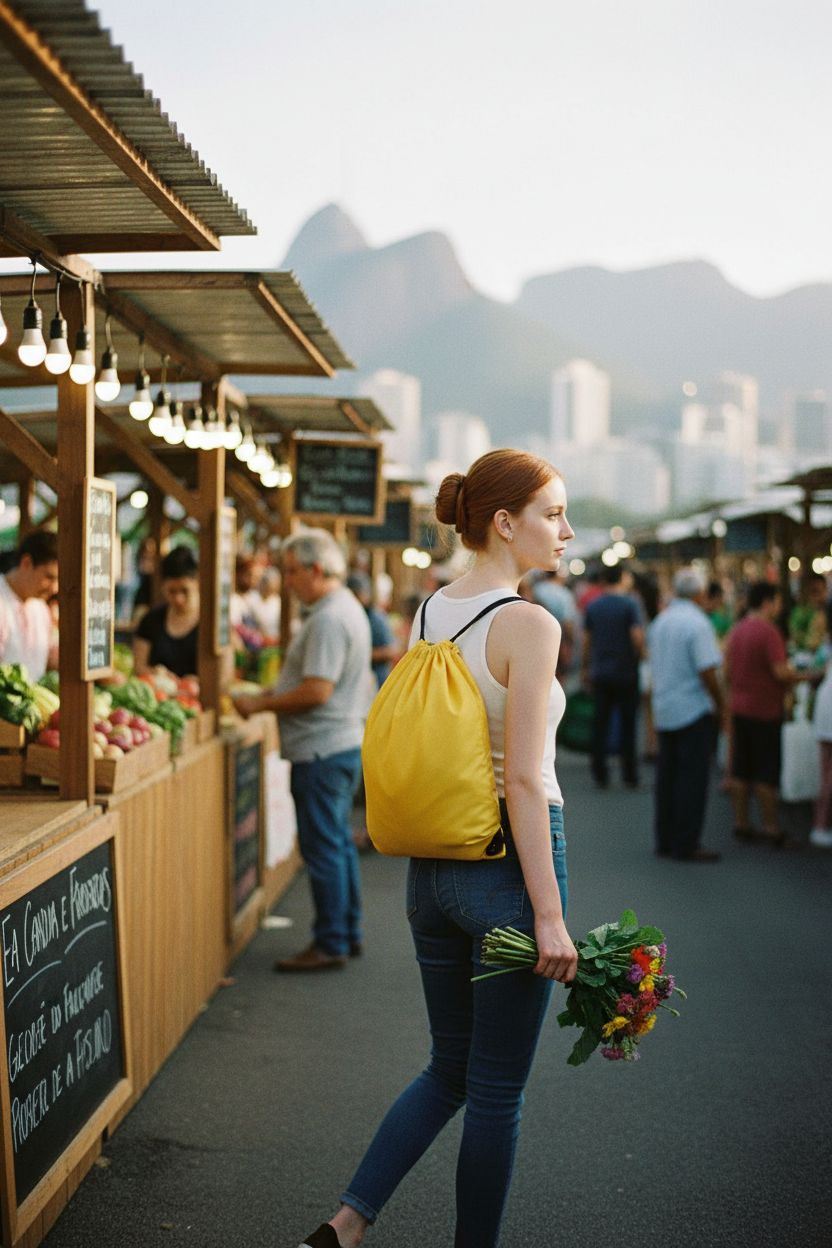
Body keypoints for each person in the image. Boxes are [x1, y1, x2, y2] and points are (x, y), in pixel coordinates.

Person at [295, 450, 578, 1248]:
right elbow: (523, 781)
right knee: (495, 1092)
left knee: (446, 1068)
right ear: (504, 522)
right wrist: (549, 916)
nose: (565, 530)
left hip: (432, 873)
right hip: (508, 866)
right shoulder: (529, 623)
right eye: (552, 513)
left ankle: (347, 1223)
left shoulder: (431, 613)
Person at [233, 530, 371, 973]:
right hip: (339, 745)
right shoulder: (344, 608)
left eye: (291, 570)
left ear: (316, 569)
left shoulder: (328, 619)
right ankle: (345, 933)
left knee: (324, 848)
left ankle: (331, 941)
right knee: (337, 845)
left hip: (321, 750)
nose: (286, 580)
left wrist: (261, 702)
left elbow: (317, 690)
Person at [649, 566, 725, 862]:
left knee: (667, 777)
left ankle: (665, 838)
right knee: (692, 778)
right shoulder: (698, 624)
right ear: (700, 593)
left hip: (665, 707)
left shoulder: (662, 621)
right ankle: (687, 842)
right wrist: (721, 703)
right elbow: (708, 669)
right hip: (692, 709)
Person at [725, 581, 810, 845]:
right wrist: (806, 676)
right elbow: (780, 672)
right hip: (764, 709)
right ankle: (771, 827)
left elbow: (727, 671)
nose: (779, 607)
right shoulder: (769, 632)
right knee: (766, 770)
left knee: (741, 769)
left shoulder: (737, 630)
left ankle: (741, 822)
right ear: (767, 602)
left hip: (739, 706)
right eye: (777, 601)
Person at [582, 563, 644, 788]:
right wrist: (642, 656)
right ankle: (629, 773)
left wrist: (585, 668)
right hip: (626, 672)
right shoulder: (630, 604)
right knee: (628, 725)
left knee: (600, 724)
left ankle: (599, 771)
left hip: (601, 672)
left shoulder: (594, 606)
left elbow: (587, 641)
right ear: (622, 578)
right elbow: (636, 636)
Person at [0, 530, 59, 681]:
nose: (54, 588)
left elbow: (50, 658)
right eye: (49, 577)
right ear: (26, 563)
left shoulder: (41, 609)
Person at [133, 546, 199, 678]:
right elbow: (139, 667)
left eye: (185, 590)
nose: (178, 599)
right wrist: (155, 673)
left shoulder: (212, 625)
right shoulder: (150, 621)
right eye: (171, 591)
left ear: (197, 583)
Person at [346, 572, 397, 687]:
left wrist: (360, 654)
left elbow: (390, 650)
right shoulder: (350, 616)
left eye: (357, 595)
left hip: (377, 681)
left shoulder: (375, 617)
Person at [788, 572, 827, 653]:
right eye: (815, 591)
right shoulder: (800, 612)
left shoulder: (825, 610)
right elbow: (795, 636)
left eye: (822, 591)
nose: (819, 596)